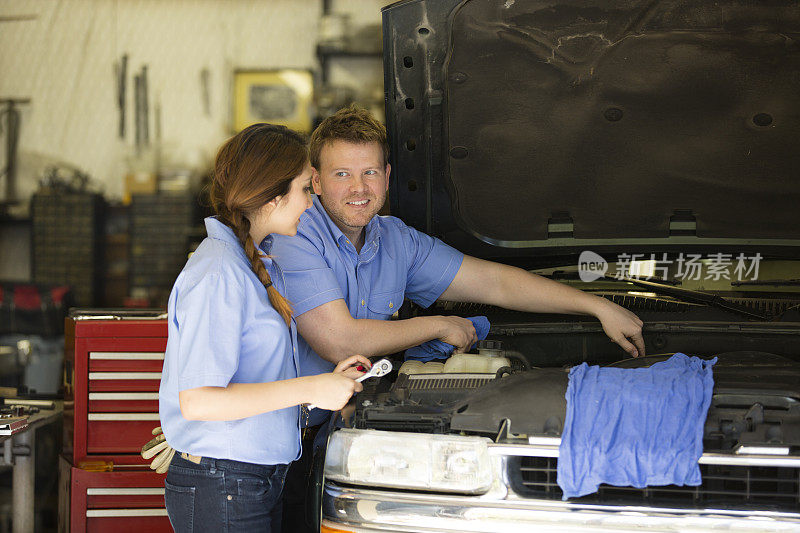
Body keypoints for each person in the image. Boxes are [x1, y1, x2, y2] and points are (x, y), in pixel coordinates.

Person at [266, 104, 645, 531]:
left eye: (370, 172)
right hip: (285, 450)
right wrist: (437, 325)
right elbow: (338, 341)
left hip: (355, 437)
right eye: (342, 174)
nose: (359, 187)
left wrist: (596, 306)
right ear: (315, 180)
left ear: (388, 177)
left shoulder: (395, 240)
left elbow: (494, 283)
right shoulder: (295, 235)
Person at [157, 123, 370, 533]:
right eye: (305, 190)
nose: (311, 204)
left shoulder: (250, 263)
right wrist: (310, 389)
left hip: (252, 479)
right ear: (274, 197)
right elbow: (199, 401)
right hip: (225, 481)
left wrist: (324, 384)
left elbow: (254, 379)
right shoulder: (219, 272)